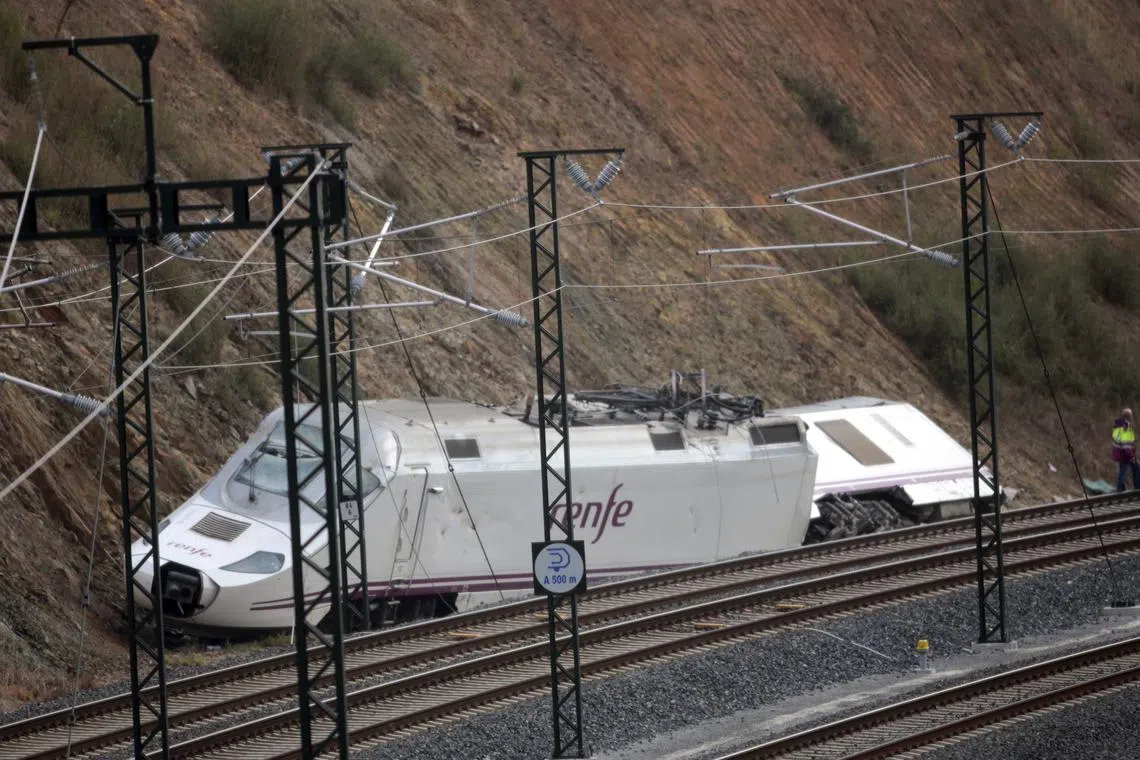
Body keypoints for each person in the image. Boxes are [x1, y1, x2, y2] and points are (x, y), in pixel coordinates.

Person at [1112, 408, 1140, 491]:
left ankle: (1122, 490)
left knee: (1128, 470)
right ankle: (1133, 489)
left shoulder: (1117, 425)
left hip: (1118, 452)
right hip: (1125, 453)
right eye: (1130, 415)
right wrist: (1131, 456)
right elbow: (1126, 443)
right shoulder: (1125, 426)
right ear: (1128, 416)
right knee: (1128, 470)